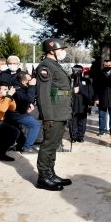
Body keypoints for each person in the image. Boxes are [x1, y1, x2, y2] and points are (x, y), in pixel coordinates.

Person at [35, 38, 73, 191]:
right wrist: (47, 116)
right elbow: (43, 94)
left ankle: (51, 173)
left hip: (61, 111)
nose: (63, 51)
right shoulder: (45, 66)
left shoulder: (54, 65)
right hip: (54, 113)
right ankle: (43, 177)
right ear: (51, 51)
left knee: (54, 144)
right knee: (48, 145)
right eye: (61, 49)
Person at [6, 72, 41, 153]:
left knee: (18, 131)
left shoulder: (20, 87)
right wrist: (32, 86)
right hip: (16, 115)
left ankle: (21, 145)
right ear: (23, 82)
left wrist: (28, 106)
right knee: (35, 124)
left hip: (19, 113)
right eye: (29, 80)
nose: (31, 81)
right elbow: (29, 98)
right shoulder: (17, 89)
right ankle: (27, 147)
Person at [70, 64, 94, 142]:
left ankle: (80, 136)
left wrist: (90, 102)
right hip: (72, 103)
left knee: (82, 121)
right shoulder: (70, 79)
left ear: (82, 71)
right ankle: (73, 136)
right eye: (75, 70)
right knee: (73, 121)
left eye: (79, 71)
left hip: (83, 104)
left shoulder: (86, 80)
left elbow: (90, 92)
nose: (77, 72)